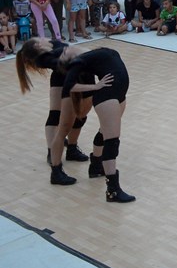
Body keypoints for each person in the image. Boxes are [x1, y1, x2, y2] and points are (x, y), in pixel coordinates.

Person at [16, 38, 135, 202]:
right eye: (40, 39)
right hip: (69, 82)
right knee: (63, 125)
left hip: (86, 79)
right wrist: (93, 84)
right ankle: (56, 168)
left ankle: (75, 151)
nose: (44, 38)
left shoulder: (57, 45)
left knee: (81, 117)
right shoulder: (47, 58)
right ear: (38, 45)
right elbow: (67, 73)